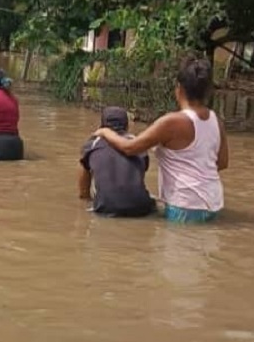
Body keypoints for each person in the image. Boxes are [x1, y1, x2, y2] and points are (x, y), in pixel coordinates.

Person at [94, 56, 228, 223]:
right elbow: (222, 163)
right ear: (208, 91)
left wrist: (106, 132)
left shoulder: (172, 122)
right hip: (214, 203)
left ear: (179, 88)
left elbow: (129, 147)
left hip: (185, 205)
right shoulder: (216, 120)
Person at [78, 106, 155, 217]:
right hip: (141, 208)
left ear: (101, 125)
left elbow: (83, 190)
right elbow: (140, 172)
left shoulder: (92, 144)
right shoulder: (137, 143)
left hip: (105, 208)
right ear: (127, 125)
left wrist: (86, 199)